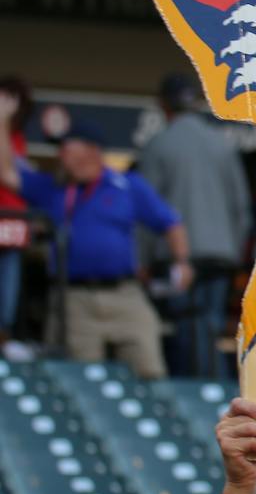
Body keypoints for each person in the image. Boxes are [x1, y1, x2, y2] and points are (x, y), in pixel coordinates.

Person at [0, 95, 192, 380]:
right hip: (74, 298)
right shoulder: (54, 188)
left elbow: (171, 223)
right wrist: (2, 121)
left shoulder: (126, 184)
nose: (61, 155)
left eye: (67, 147)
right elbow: (7, 173)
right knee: (81, 378)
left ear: (90, 151)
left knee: (150, 371)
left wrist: (182, 262)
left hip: (125, 294)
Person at [138, 72, 252, 377]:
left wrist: (141, 259)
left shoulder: (159, 144)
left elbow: (145, 208)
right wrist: (234, 251)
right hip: (220, 254)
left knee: (183, 327)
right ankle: (214, 389)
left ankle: (195, 390)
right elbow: (241, 207)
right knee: (210, 325)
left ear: (164, 105)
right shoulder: (222, 144)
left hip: (176, 255)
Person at [0, 76, 33, 357]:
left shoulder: (16, 137)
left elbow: (15, 175)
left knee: (9, 290)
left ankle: (5, 336)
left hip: (12, 223)